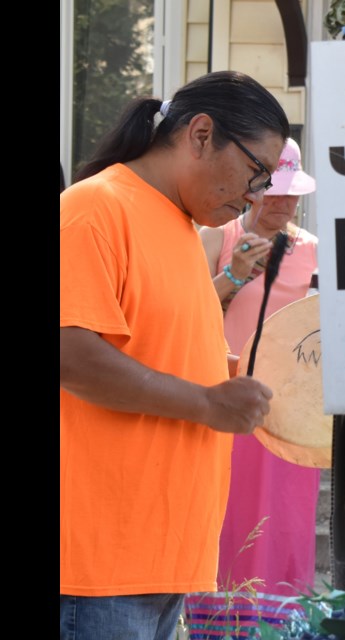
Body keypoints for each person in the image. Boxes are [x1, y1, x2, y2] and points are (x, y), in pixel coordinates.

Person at [60, 70, 290, 640]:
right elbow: (69, 354)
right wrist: (207, 401)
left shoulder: (181, 226)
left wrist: (228, 378)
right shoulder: (96, 207)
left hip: (160, 556)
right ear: (201, 133)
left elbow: (154, 348)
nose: (257, 196)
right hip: (98, 563)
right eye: (256, 171)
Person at [183, 139, 321, 636]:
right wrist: (234, 275)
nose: (282, 204)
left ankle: (281, 628)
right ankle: (211, 626)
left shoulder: (314, 252)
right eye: (273, 193)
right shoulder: (215, 237)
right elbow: (185, 316)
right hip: (218, 400)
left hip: (284, 411)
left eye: (292, 195)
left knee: (283, 523)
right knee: (222, 518)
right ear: (253, 190)